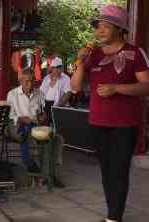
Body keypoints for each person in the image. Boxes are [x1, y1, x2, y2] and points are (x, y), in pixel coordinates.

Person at [71, 5, 149, 222]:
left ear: (119, 29)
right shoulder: (93, 55)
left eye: (105, 26)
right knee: (106, 171)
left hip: (125, 124)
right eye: (98, 27)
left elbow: (147, 86)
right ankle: (112, 214)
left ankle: (114, 218)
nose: (99, 31)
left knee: (119, 171)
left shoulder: (135, 53)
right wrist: (79, 61)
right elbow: (76, 87)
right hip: (98, 122)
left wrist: (117, 88)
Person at [6, 68, 44, 173]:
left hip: (35, 124)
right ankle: (29, 162)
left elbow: (41, 111)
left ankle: (46, 168)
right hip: (18, 125)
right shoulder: (12, 94)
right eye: (27, 81)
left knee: (50, 137)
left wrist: (42, 116)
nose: (30, 84)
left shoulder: (39, 93)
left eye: (32, 81)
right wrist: (20, 118)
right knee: (26, 130)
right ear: (21, 81)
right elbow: (9, 115)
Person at [40, 57, 72, 122]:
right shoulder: (47, 78)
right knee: (45, 126)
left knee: (56, 125)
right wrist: (41, 107)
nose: (58, 70)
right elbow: (41, 92)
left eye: (59, 67)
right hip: (45, 105)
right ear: (52, 68)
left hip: (58, 105)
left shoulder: (66, 78)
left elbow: (68, 93)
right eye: (55, 68)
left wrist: (56, 108)